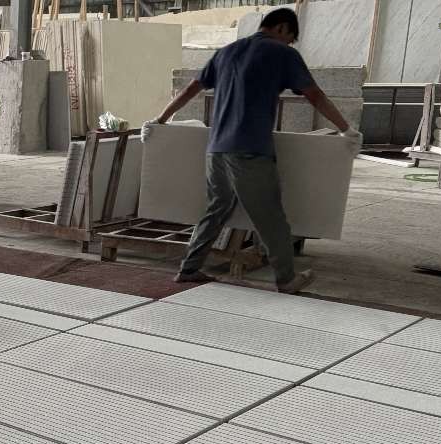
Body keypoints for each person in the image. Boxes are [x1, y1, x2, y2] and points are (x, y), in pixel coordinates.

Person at [146, 8, 359, 294]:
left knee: (216, 209)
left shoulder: (226, 52)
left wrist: (160, 120)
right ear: (282, 28)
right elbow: (314, 95)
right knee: (270, 217)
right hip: (250, 150)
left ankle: (189, 269)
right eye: (290, 38)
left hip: (216, 151)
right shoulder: (282, 54)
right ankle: (287, 279)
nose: (289, 44)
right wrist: (346, 129)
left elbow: (190, 90)